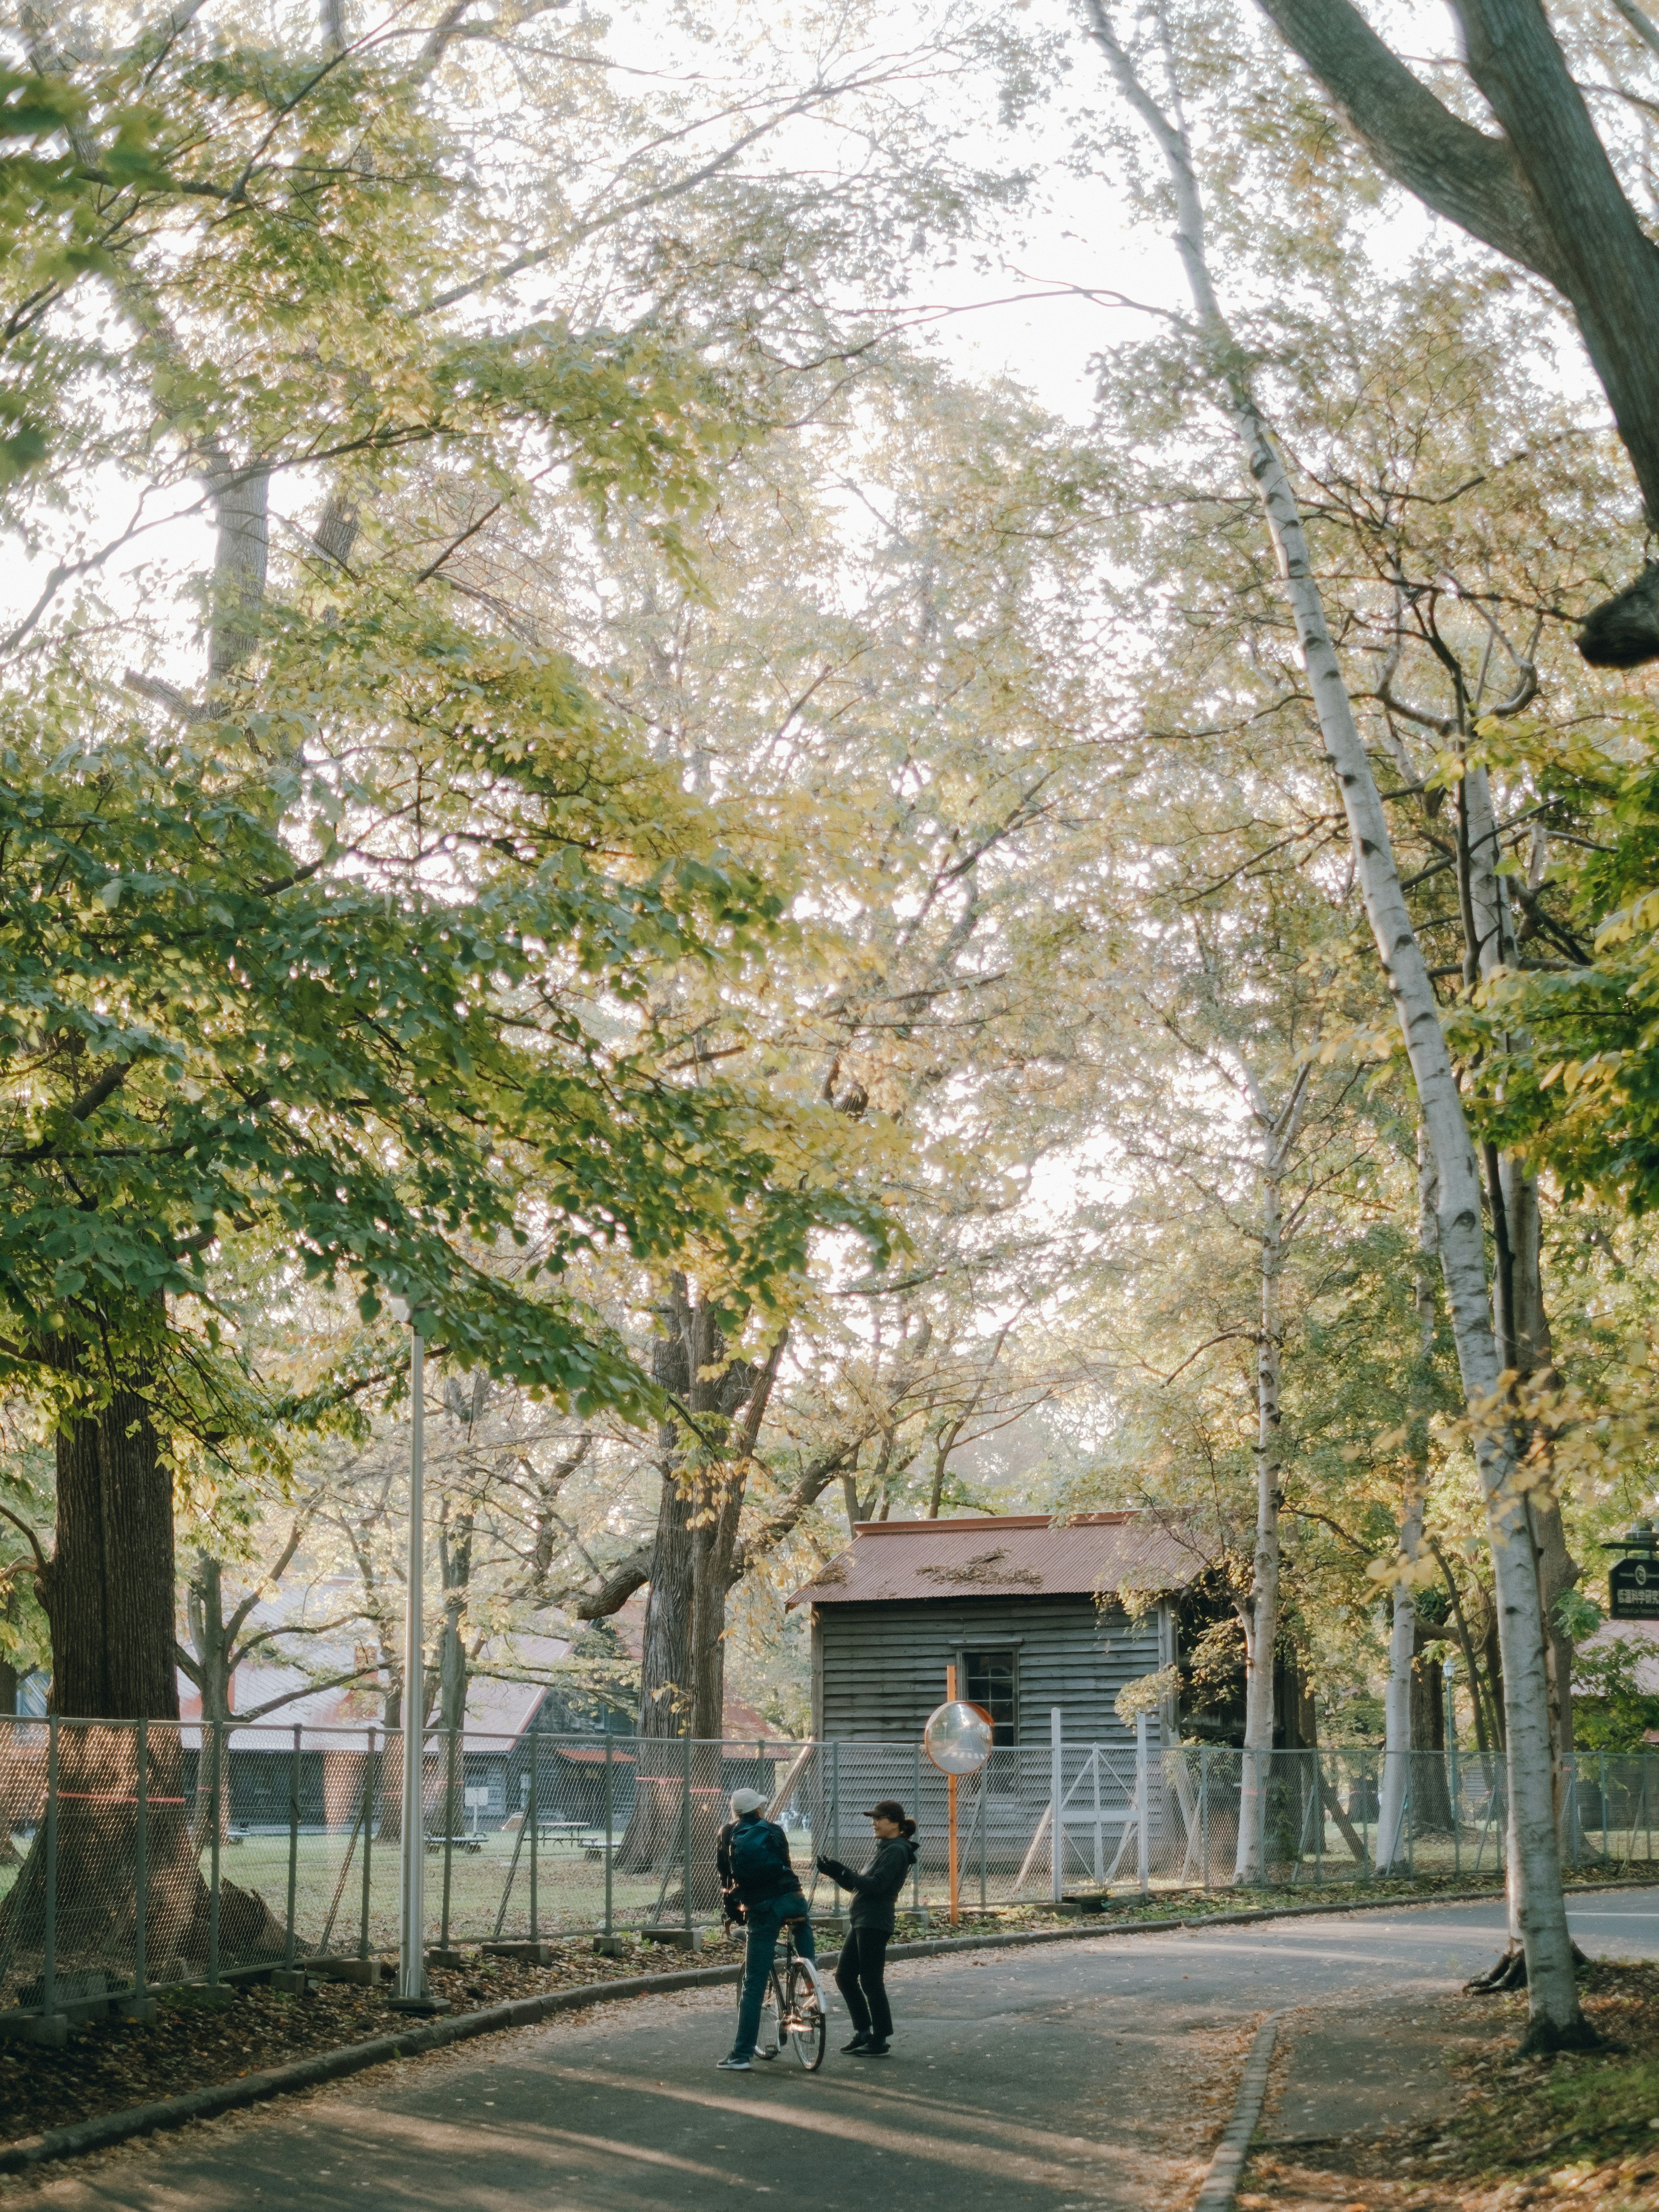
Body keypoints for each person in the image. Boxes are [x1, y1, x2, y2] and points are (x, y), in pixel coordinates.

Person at [715, 1786, 819, 2072]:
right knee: (801, 1930)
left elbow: (727, 1879)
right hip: (793, 1899)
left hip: (762, 1908)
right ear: (759, 1809)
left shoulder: (727, 1834)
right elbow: (784, 1866)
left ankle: (741, 2055)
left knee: (754, 1982)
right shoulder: (774, 1831)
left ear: (736, 1811)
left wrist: (734, 1913)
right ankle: (811, 1985)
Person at [816, 1799, 918, 2057]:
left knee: (871, 1982)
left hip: (875, 1921)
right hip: (864, 1919)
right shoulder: (888, 1847)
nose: (874, 1824)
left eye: (879, 1819)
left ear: (895, 1823)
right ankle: (864, 2032)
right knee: (845, 1977)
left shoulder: (896, 1850)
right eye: (873, 1819)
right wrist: (837, 1874)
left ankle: (879, 2039)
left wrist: (845, 1872)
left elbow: (876, 1886)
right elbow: (860, 1886)